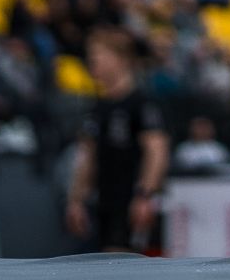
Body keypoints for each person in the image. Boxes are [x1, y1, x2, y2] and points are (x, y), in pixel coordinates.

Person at [66, 28, 169, 253]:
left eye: (99, 55)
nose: (93, 61)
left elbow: (157, 150)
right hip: (102, 203)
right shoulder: (96, 108)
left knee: (122, 263)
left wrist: (145, 195)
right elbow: (87, 157)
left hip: (130, 202)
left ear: (121, 59)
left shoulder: (140, 103)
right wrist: (76, 200)